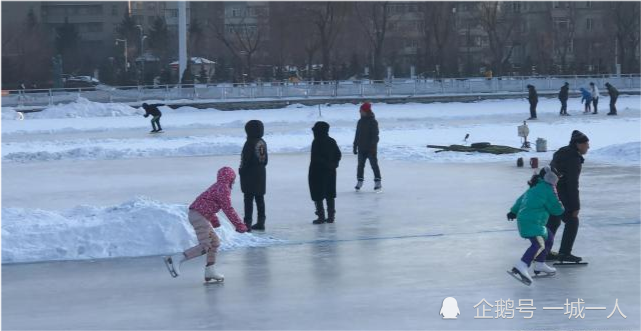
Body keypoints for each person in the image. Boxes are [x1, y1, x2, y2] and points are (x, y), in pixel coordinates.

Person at [163, 167, 248, 282]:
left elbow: (207, 204)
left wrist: (214, 221)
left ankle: (210, 270)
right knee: (205, 246)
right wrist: (240, 225)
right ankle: (176, 259)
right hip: (199, 216)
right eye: (233, 179)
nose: (234, 182)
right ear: (231, 178)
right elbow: (228, 208)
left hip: (198, 215)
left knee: (214, 242)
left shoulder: (217, 186)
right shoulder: (223, 188)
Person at [508, 166, 565, 285]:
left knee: (549, 238)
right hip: (532, 221)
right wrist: (563, 209)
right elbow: (556, 208)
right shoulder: (549, 189)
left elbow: (521, 200)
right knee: (539, 244)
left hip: (529, 220)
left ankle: (540, 264)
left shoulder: (535, 186)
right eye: (557, 177)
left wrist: (513, 211)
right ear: (551, 178)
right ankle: (522, 265)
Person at [546, 130, 590, 263]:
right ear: (578, 144)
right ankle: (565, 253)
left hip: (550, 193)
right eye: (586, 144)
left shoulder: (562, 152)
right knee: (572, 221)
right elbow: (572, 184)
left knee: (553, 222)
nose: (588, 147)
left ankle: (544, 251)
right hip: (561, 195)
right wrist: (575, 207)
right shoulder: (573, 158)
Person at [309, 121, 342, 224]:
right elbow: (338, 154)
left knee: (317, 194)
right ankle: (331, 216)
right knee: (330, 194)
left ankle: (321, 216)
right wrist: (334, 164)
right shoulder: (331, 141)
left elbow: (315, 157)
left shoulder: (316, 142)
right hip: (330, 172)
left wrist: (325, 163)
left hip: (317, 172)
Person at [239, 120, 268, 231]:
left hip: (250, 174)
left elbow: (245, 160)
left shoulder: (249, 143)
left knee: (248, 199)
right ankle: (261, 222)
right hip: (261, 173)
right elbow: (265, 160)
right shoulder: (262, 142)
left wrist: (241, 171)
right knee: (260, 198)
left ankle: (247, 223)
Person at [353, 102, 382, 191]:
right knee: (360, 166)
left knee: (374, 165)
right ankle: (359, 181)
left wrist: (373, 147)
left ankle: (378, 182)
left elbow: (375, 136)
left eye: (361, 110)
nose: (359, 112)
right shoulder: (360, 122)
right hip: (361, 148)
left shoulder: (373, 122)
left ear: (366, 111)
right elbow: (357, 134)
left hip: (370, 149)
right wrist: (355, 145)